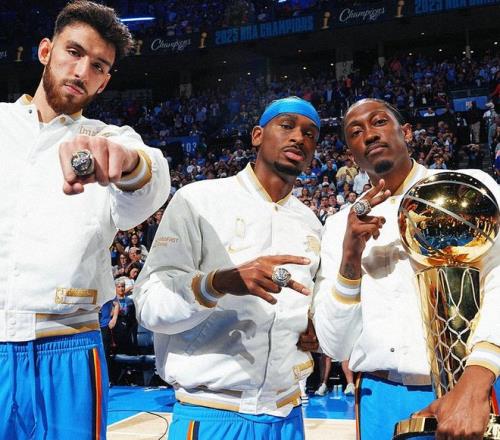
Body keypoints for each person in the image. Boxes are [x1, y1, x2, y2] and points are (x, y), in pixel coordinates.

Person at [0, 1, 170, 438]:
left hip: (69, 344)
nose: (81, 71)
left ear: (105, 80)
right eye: (73, 52)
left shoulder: (109, 137)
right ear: (45, 51)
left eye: (97, 65)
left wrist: (127, 164)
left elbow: (151, 182)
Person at [134, 97, 322, 440]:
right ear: (257, 135)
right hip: (211, 410)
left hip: (288, 412)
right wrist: (216, 283)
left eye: (310, 133)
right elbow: (149, 306)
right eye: (287, 126)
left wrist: (313, 328)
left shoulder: (310, 223)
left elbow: (310, 313)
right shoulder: (198, 200)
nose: (299, 137)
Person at [314, 98, 500, 440]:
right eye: (356, 132)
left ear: (407, 132)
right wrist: (350, 258)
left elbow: (498, 279)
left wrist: (479, 377)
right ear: (351, 155)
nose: (369, 134)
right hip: (378, 396)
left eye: (379, 122)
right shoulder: (340, 224)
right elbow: (335, 347)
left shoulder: (465, 186)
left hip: (469, 384)